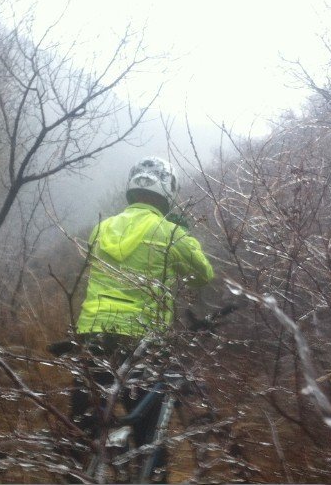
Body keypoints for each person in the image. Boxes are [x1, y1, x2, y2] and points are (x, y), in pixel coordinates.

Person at [70, 156, 214, 478]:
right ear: (167, 193)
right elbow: (203, 274)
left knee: (82, 435)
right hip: (143, 344)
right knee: (149, 439)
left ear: (131, 190)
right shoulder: (171, 234)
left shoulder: (100, 229)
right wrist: (184, 236)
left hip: (93, 339)